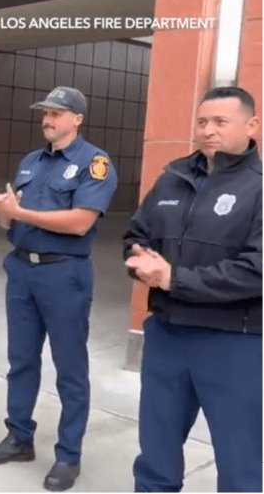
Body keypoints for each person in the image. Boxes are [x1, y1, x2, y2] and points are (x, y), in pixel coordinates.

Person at [0, 87, 117, 492]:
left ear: (77, 119)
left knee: (70, 369)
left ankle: (68, 455)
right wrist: (3, 212)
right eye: (45, 113)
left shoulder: (94, 163)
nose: (48, 119)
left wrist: (19, 211)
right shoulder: (31, 162)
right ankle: (19, 437)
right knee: (20, 360)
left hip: (64, 275)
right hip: (22, 270)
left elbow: (80, 222)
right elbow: (15, 224)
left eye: (57, 113)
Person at [124, 86, 262, 492]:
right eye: (202, 122)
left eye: (220, 122)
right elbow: (135, 235)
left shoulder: (259, 187)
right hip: (167, 335)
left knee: (240, 460)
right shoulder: (173, 177)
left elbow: (257, 269)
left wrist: (174, 279)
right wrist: (141, 264)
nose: (208, 131)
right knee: (156, 450)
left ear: (251, 125)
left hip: (233, 343)